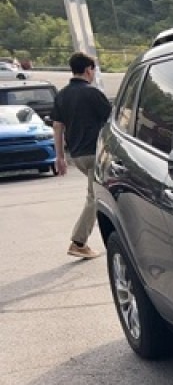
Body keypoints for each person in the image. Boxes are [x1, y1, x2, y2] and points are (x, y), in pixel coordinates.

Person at [52, 52, 111, 259]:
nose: (93, 74)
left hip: (76, 155)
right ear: (88, 70)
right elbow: (113, 120)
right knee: (95, 197)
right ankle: (78, 242)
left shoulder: (62, 95)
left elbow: (58, 126)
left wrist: (59, 157)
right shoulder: (93, 94)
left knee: (96, 194)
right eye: (93, 70)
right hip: (95, 153)